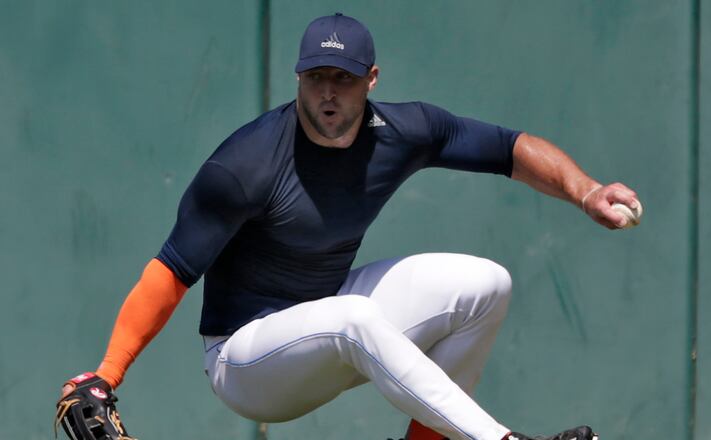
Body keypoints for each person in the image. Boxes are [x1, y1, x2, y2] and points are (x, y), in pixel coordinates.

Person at [57, 13, 639, 440]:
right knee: (353, 318)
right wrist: (107, 376)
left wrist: (585, 190)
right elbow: (171, 272)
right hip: (246, 361)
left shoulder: (402, 132)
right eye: (316, 77)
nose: (328, 92)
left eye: (343, 77)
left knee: (486, 284)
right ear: (298, 78)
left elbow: (511, 148)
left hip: (326, 313)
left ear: (372, 79)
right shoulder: (246, 165)